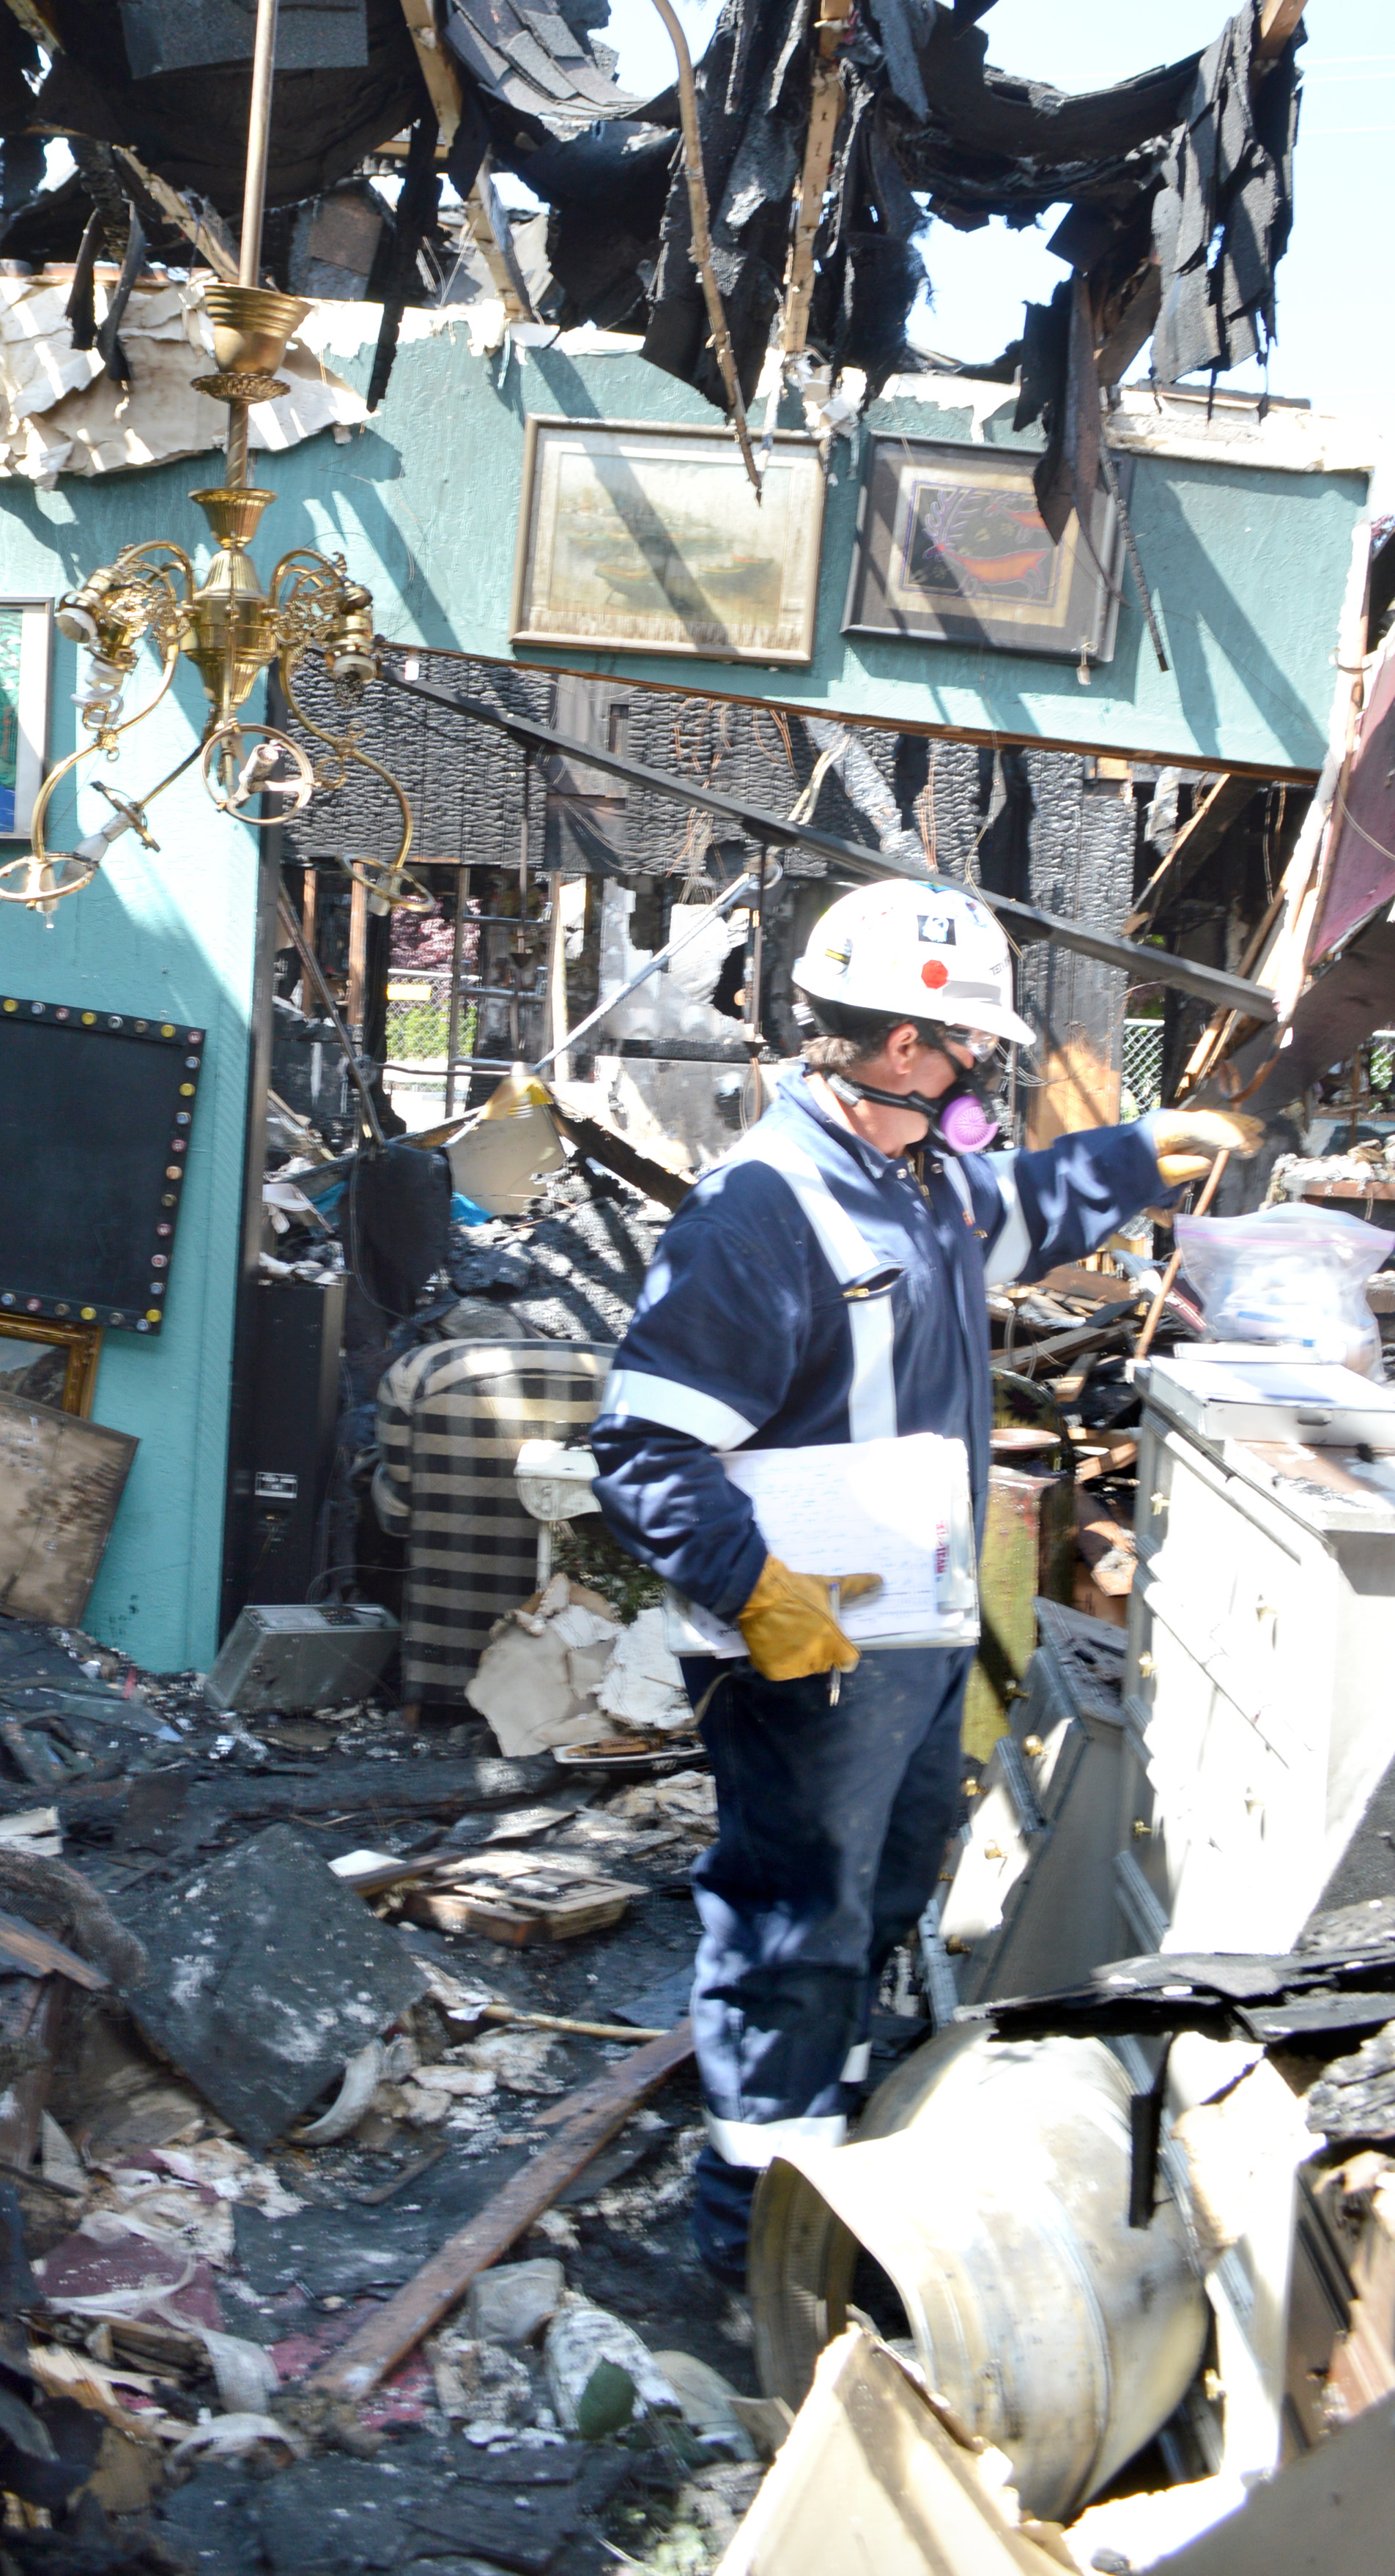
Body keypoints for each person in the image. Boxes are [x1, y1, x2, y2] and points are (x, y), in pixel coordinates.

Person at [585, 877, 1253, 2282]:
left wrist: (1140, 1154)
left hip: (906, 1628)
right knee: (793, 1922)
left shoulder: (919, 1177)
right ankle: (752, 2241)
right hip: (807, 1640)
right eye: (974, 1052)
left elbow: (1013, 1213)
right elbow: (645, 1451)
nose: (985, 1077)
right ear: (903, 1050)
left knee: (882, 1888)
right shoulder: (760, 1213)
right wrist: (761, 1594)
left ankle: (832, 2142)